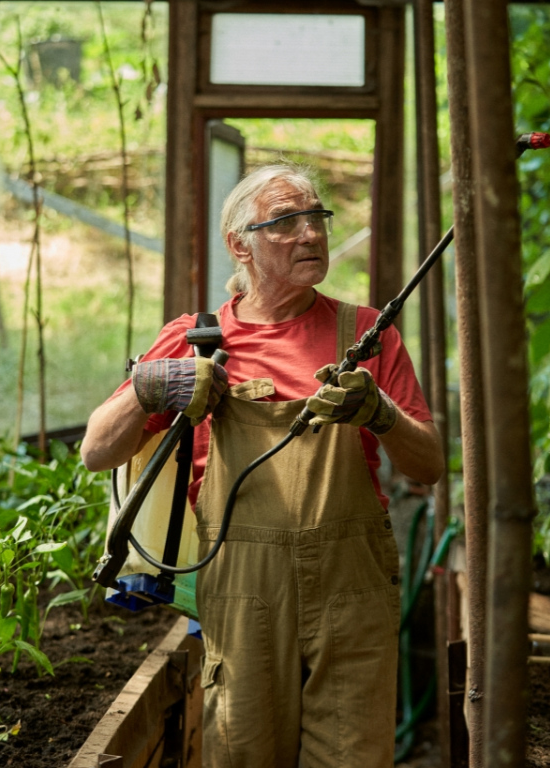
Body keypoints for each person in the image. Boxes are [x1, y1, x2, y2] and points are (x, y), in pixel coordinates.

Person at [81, 164, 444, 768]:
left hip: (351, 585)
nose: (310, 234)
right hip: (244, 589)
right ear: (239, 244)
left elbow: (428, 465)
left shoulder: (367, 333)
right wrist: (150, 387)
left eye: (317, 218)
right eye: (287, 222)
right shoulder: (198, 338)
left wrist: (380, 413)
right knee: (245, 753)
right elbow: (97, 451)